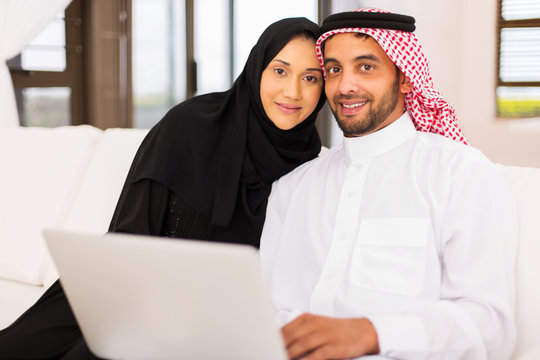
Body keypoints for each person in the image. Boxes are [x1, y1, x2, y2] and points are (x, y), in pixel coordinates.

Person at [0, 17, 326, 359]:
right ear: (257, 68)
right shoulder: (190, 125)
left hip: (207, 322)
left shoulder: (312, 169)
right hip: (128, 287)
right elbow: (129, 233)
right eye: (280, 71)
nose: (293, 92)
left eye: (310, 78)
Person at [260, 8, 518, 360]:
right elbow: (264, 311)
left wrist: (371, 333)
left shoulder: (460, 174)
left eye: (366, 67)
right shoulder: (292, 188)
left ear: (406, 77)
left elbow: (490, 327)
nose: (346, 85)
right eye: (334, 70)